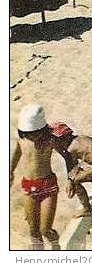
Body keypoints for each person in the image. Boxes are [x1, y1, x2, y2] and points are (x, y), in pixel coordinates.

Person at [9, 105, 60, 250]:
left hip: (48, 185)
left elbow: (68, 153)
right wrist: (10, 170)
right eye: (28, 133)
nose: (32, 136)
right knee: (33, 230)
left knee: (45, 230)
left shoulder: (50, 139)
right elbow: (17, 153)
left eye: (34, 133)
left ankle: (56, 245)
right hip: (28, 185)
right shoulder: (21, 138)